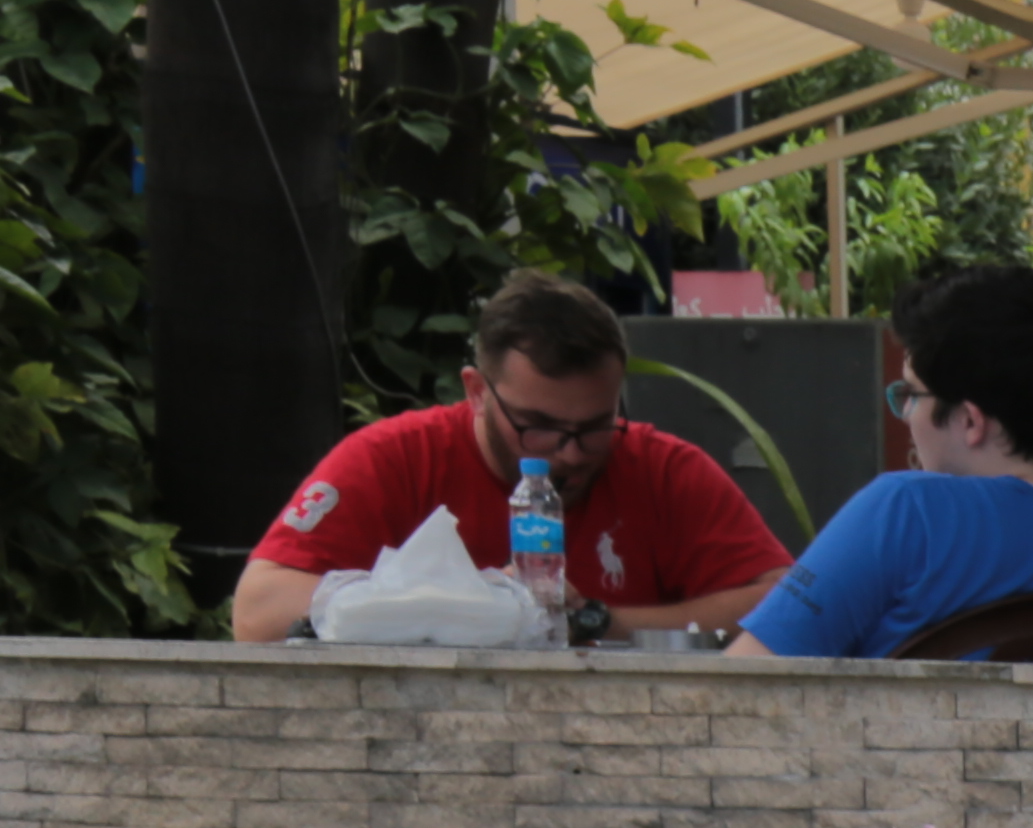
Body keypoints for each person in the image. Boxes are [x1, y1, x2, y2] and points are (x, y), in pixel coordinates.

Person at [230, 273, 792, 643]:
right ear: (476, 391)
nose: (568, 454)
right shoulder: (392, 458)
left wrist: (592, 621)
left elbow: (788, 602)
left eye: (595, 428)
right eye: (539, 428)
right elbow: (257, 612)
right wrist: (463, 601)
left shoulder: (665, 470)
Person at [724, 264, 1033, 660]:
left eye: (910, 394)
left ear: (971, 420)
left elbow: (737, 684)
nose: (906, 415)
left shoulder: (906, 513)